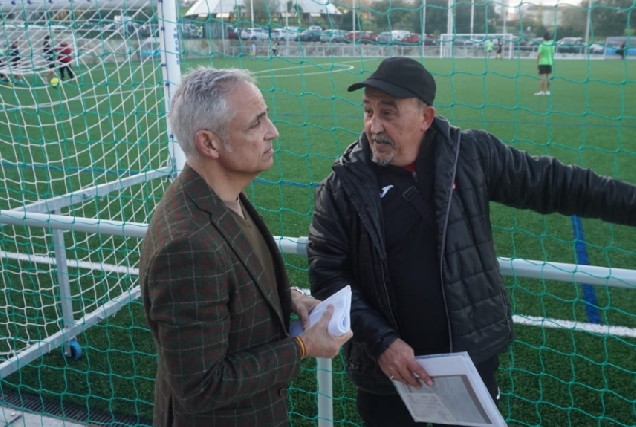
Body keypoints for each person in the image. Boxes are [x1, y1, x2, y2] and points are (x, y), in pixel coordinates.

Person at [307, 56, 636, 427]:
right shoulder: (343, 184)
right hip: (387, 370)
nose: (374, 126)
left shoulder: (471, 155)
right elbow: (327, 273)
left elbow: (555, 183)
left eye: (388, 112)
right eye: (368, 111)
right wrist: (382, 343)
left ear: (425, 118)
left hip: (467, 360)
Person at [139, 67, 352, 427]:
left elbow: (232, 280)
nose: (273, 131)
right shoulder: (188, 247)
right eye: (256, 123)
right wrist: (303, 346)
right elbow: (201, 386)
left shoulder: (220, 197)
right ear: (210, 144)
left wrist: (290, 296)